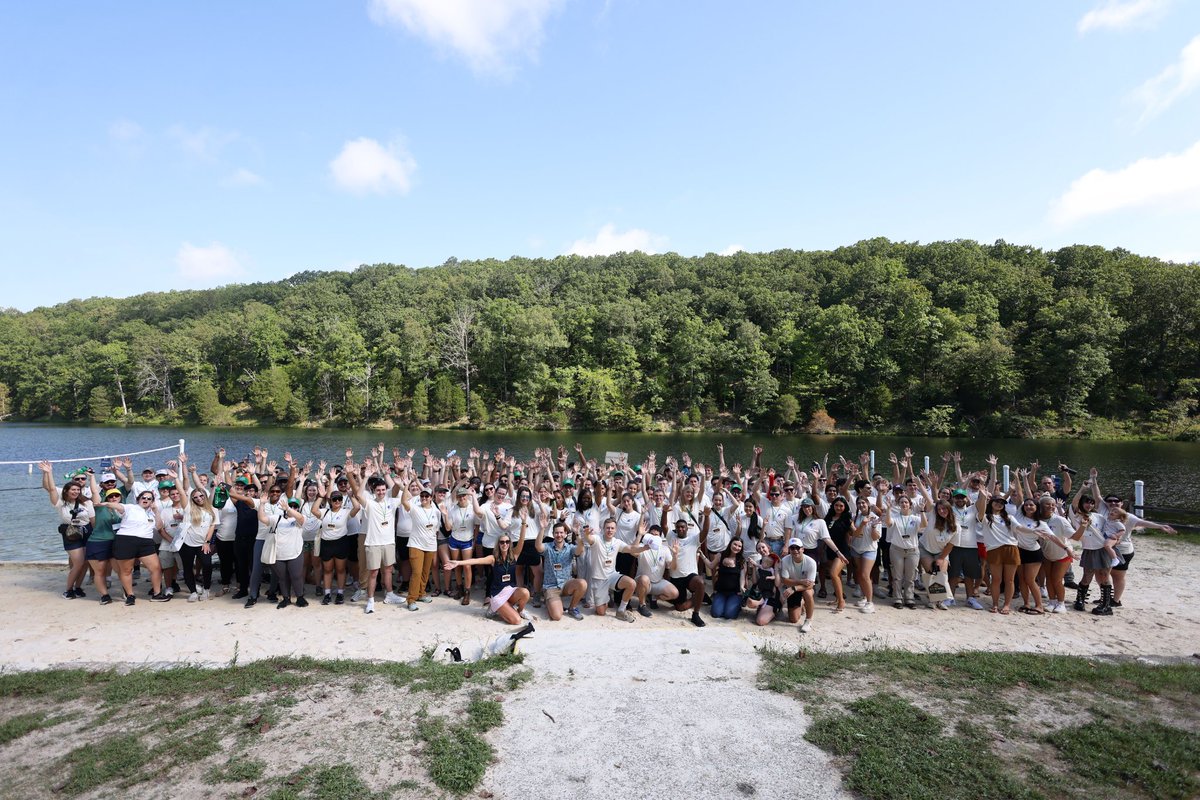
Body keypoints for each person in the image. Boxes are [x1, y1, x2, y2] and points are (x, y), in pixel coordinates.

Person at [346, 461, 404, 615]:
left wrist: (399, 482)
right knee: (373, 572)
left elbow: (407, 495)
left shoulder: (391, 501)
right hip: (373, 542)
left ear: (386, 490)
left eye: (383, 489)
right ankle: (370, 600)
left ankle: (390, 594)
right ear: (373, 490)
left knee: (388, 570)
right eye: (378, 490)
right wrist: (364, 476)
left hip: (389, 542)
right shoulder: (370, 503)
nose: (381, 492)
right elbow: (358, 494)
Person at [95, 489, 168, 604]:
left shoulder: (152, 513)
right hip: (126, 540)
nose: (146, 500)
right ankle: (130, 595)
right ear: (138, 499)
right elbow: (118, 506)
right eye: (143, 497)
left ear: (152, 502)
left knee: (156, 568)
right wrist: (106, 503)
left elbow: (159, 526)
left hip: (146, 542)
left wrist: (156, 511)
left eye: (149, 498)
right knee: (127, 570)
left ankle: (157, 594)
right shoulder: (130, 507)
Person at [443, 534, 532, 624]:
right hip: (498, 595)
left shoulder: (514, 556)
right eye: (502, 542)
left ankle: (520, 611)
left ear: (510, 544)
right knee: (517, 621)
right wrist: (458, 563)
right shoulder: (493, 558)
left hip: (510, 591)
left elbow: (521, 541)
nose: (504, 544)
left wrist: (524, 523)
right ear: (498, 544)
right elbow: (476, 561)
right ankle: (494, 608)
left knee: (525, 592)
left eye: (507, 542)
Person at [39, 461, 93, 599]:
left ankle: (78, 587)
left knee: (85, 562)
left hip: (87, 532)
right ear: (66, 491)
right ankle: (68, 590)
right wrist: (48, 472)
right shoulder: (61, 503)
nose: (75, 491)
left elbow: (93, 520)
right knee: (78, 562)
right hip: (71, 533)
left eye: (77, 489)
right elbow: (50, 489)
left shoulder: (87, 502)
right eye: (72, 489)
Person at [581, 518, 648, 622]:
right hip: (598, 579)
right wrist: (586, 535)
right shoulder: (597, 539)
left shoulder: (617, 542)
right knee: (601, 612)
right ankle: (607, 598)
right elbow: (589, 539)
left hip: (612, 576)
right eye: (607, 528)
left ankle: (621, 611)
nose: (610, 530)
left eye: (612, 528)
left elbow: (631, 549)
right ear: (603, 529)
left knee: (632, 584)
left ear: (616, 530)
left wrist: (645, 547)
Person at [310, 484, 361, 605]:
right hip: (326, 543)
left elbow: (357, 507)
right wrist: (320, 497)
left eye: (339, 499)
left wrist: (351, 496)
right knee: (327, 570)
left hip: (341, 543)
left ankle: (340, 593)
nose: (337, 501)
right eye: (334, 499)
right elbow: (313, 510)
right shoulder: (325, 512)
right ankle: (327, 594)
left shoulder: (345, 512)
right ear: (330, 501)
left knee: (340, 569)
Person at [400, 476, 441, 611]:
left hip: (430, 544)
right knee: (416, 572)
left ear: (431, 498)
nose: (423, 498)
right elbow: (404, 501)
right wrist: (406, 485)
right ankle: (411, 599)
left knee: (425, 572)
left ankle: (421, 593)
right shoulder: (415, 508)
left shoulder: (435, 510)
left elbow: (436, 527)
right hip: (416, 544)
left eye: (426, 496)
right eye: (422, 496)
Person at [259, 496, 308, 609]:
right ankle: (286, 598)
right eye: (291, 505)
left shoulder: (298, 519)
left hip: (295, 552)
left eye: (295, 506)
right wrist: (262, 504)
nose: (292, 508)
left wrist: (288, 509)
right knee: (282, 577)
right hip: (279, 554)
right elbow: (263, 519)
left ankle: (300, 597)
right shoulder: (277, 518)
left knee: (296, 576)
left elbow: (301, 518)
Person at [535, 520, 588, 621]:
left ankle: (572, 608)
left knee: (582, 583)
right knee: (557, 616)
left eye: (561, 532)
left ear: (565, 534)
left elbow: (580, 549)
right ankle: (549, 601)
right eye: (556, 533)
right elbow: (538, 546)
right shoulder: (548, 547)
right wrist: (542, 528)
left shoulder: (570, 548)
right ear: (553, 534)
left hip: (566, 584)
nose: (559, 535)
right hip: (551, 587)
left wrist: (577, 534)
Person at [177, 485, 217, 602]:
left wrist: (207, 542)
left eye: (201, 496)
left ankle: (206, 589)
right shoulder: (188, 508)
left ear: (205, 495)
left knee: (207, 565)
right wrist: (176, 478)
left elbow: (212, 527)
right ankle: (193, 592)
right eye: (195, 497)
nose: (199, 498)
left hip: (202, 544)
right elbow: (182, 493)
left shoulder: (211, 509)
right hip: (187, 544)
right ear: (192, 499)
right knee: (188, 568)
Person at [632, 524, 680, 617]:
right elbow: (633, 552)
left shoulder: (664, 549)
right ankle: (642, 605)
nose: (653, 536)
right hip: (642, 582)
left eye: (656, 535)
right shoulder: (643, 546)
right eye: (651, 534)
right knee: (644, 579)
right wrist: (639, 535)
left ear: (660, 537)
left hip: (657, 582)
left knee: (674, 593)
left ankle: (653, 597)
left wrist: (675, 555)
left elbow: (672, 567)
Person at [848, 495, 880, 613]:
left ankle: (870, 603)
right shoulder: (855, 517)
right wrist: (861, 524)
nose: (861, 505)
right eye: (859, 503)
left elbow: (875, 537)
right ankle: (865, 596)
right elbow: (855, 534)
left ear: (868, 504)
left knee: (865, 575)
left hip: (869, 549)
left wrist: (873, 527)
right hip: (856, 549)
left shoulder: (875, 517)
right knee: (860, 574)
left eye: (863, 503)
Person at [779, 539, 817, 632]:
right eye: (792, 548)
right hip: (794, 586)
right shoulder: (785, 560)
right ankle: (801, 603)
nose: (795, 550)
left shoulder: (811, 562)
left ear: (803, 549)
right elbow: (785, 580)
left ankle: (808, 621)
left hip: (803, 588)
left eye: (797, 548)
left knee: (808, 593)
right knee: (793, 619)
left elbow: (810, 584)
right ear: (789, 550)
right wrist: (800, 581)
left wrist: (794, 588)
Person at [746, 539, 783, 626]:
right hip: (762, 592)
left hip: (774, 595)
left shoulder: (777, 561)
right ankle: (763, 606)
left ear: (768, 547)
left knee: (760, 621)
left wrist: (776, 570)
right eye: (759, 549)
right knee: (749, 602)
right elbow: (755, 582)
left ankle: (775, 609)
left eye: (763, 547)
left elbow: (778, 584)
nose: (761, 550)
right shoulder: (758, 563)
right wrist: (754, 567)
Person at [709, 539, 746, 620]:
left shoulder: (741, 560)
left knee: (729, 615)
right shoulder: (720, 555)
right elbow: (711, 566)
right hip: (721, 591)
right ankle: (726, 605)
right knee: (716, 614)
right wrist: (702, 556)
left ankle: (735, 605)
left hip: (734, 593)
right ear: (730, 544)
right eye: (735, 544)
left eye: (739, 546)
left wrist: (742, 587)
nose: (737, 547)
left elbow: (742, 577)